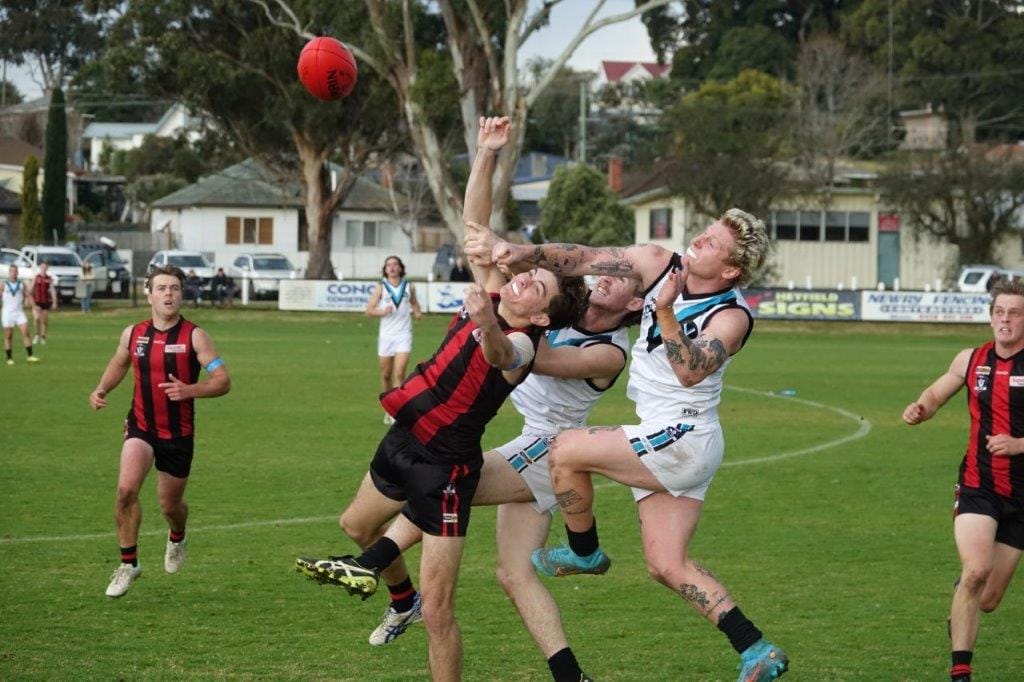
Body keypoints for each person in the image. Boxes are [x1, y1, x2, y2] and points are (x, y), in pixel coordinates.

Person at [353, 117, 645, 682]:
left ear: (635, 304)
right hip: (525, 446)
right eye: (605, 273)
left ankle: (378, 571)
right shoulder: (555, 304)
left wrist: (504, 308)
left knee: (440, 488)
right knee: (514, 575)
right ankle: (571, 676)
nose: (610, 279)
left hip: (548, 456)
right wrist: (487, 156)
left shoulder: (607, 349)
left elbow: (526, 356)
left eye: (624, 279)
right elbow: (476, 229)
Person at [295, 117, 586, 682]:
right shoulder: (495, 291)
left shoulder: (525, 342)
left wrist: (488, 326)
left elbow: (502, 357)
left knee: (442, 610)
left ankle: (419, 614)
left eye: (538, 287)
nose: (524, 281)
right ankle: (399, 598)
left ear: (545, 313)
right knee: (356, 527)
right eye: (528, 276)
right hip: (402, 439)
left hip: (446, 470)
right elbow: (474, 225)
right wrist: (485, 152)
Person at [469, 208, 788, 682]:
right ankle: (756, 649)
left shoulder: (732, 316)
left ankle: (584, 551)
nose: (700, 239)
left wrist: (662, 309)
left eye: (713, 243)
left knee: (565, 449)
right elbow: (585, 259)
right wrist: (524, 253)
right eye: (705, 231)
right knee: (667, 564)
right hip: (670, 439)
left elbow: (691, 370)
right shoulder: (659, 261)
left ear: (730, 271)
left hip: (682, 435)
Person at [901, 277, 1024, 682]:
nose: (1005, 320)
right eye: (999, 313)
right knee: (975, 573)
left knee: (986, 598)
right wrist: (922, 407)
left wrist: (1019, 445)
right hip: (978, 484)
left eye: (1015, 313)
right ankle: (960, 673)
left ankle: (966, 597)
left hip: (1021, 495)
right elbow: (936, 394)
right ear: (990, 317)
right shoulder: (971, 360)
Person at [89, 265, 231, 598]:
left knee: (170, 506)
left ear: (182, 294)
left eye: (175, 288)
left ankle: (178, 535)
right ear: (149, 293)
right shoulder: (133, 334)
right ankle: (128, 564)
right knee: (125, 491)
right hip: (141, 426)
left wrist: (190, 390)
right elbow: (120, 362)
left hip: (178, 435)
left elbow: (223, 381)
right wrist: (101, 389)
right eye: (163, 288)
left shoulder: (195, 336)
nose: (169, 294)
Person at [366, 256, 423, 425]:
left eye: (395, 264)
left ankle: (396, 411)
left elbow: (414, 304)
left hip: (403, 335)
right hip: (386, 336)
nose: (392, 267)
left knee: (399, 373)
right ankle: (387, 406)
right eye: (388, 265)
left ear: (400, 268)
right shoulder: (381, 287)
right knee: (386, 375)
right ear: (385, 269)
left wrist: (418, 312)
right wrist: (382, 311)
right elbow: (369, 310)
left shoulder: (409, 286)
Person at [3, 265, 39, 365]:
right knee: (8, 336)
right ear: (9, 273)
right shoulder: (4, 284)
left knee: (26, 333)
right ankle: (9, 358)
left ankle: (30, 356)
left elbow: (28, 295)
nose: (13, 273)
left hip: (19, 312)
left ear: (17, 273)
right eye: (12, 271)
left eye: (15, 271)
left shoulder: (21, 284)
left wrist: (34, 307)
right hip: (7, 313)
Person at [31, 261, 57, 344]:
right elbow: (31, 288)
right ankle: (36, 335)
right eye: (42, 267)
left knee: (44, 321)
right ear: (40, 267)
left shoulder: (49, 278)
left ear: (47, 268)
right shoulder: (36, 277)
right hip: (36, 301)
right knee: (36, 318)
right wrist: (28, 299)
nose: (44, 268)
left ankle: (43, 337)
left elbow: (52, 290)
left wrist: (54, 302)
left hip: (45, 301)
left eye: (45, 267)